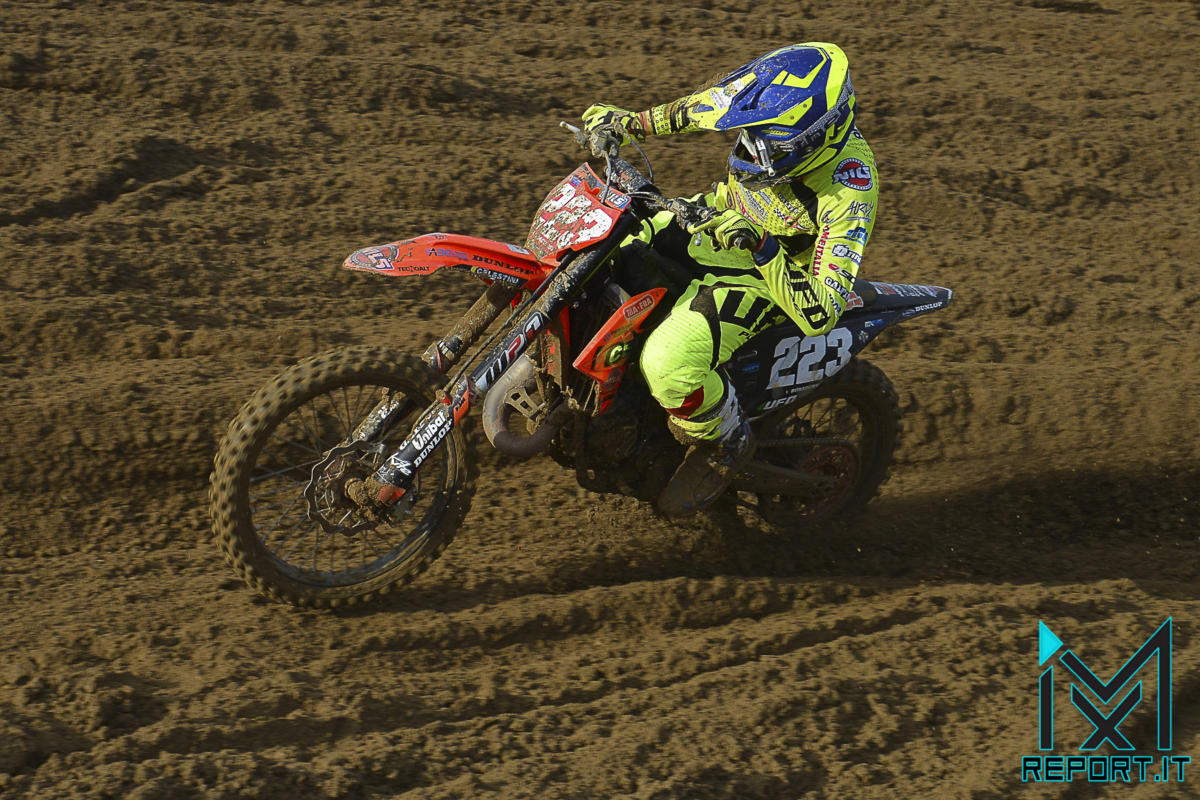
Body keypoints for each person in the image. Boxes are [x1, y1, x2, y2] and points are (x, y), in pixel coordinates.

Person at [580, 42, 878, 518]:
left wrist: (762, 245)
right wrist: (627, 123)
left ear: (815, 141)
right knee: (598, 242)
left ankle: (725, 442)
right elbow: (697, 109)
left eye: (768, 146)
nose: (750, 150)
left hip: (770, 279)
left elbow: (821, 310)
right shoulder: (772, 98)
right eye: (748, 135)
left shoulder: (849, 190)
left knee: (668, 363)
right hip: (713, 222)